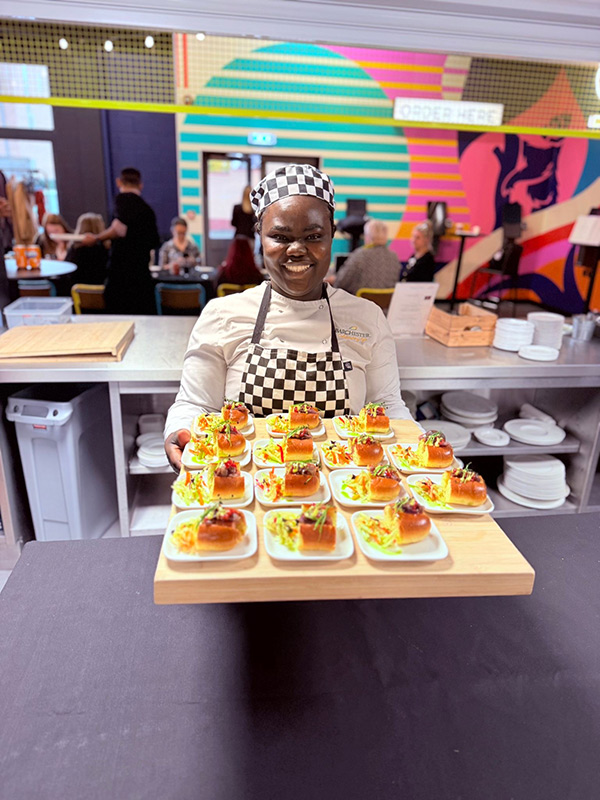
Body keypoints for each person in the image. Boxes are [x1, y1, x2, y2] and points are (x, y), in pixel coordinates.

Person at [164, 164, 414, 469]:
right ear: (260, 237)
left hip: (346, 488)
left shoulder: (367, 317)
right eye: (280, 237)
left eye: (314, 236)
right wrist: (178, 430)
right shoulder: (221, 315)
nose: (297, 249)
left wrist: (419, 443)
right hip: (244, 487)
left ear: (332, 235)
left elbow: (388, 407)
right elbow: (195, 404)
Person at [81, 167, 160, 314]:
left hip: (121, 277)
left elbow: (119, 228)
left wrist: (96, 238)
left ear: (119, 182)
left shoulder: (123, 199)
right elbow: (154, 241)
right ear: (140, 185)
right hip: (141, 276)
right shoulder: (148, 210)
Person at [333, 219, 400, 295]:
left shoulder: (360, 255)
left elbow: (341, 283)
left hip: (361, 301)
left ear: (368, 236)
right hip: (386, 302)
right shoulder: (394, 257)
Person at [65, 213, 109, 285]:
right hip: (101, 289)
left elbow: (67, 273)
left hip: (77, 290)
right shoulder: (106, 250)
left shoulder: (74, 251)